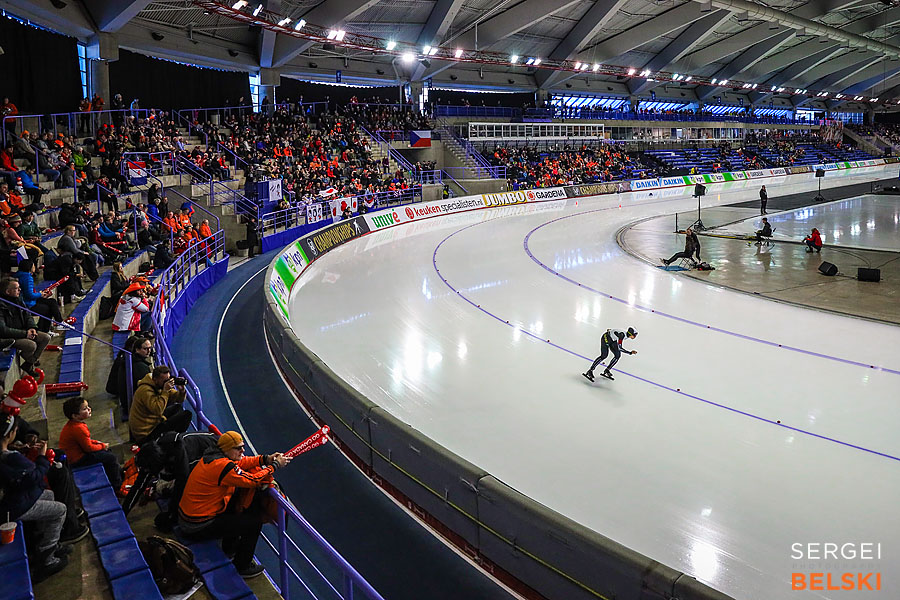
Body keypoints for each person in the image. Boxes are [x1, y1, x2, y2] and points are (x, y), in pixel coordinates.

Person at [178, 431, 290, 578]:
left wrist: (265, 459)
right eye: (238, 448)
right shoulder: (222, 466)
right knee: (254, 524)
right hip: (196, 526)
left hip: (188, 518)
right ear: (227, 449)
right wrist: (274, 466)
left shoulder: (212, 457)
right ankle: (243, 566)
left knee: (235, 504)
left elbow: (241, 463)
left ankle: (230, 549)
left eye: (242, 447)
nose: (242, 451)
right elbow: (253, 480)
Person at [0, 414, 71, 580]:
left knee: (50, 495)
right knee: (61, 510)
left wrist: (21, 449)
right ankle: (47, 557)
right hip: (16, 505)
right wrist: (42, 457)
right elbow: (35, 476)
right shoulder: (11, 458)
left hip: (17, 497)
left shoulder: (7, 454)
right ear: (9, 434)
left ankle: (44, 542)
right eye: (15, 431)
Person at [58, 398, 122, 489]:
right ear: (75, 416)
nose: (89, 409)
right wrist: (102, 446)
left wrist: (98, 443)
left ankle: (119, 475)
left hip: (78, 454)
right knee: (111, 458)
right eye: (85, 409)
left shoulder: (74, 424)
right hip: (76, 460)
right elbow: (88, 448)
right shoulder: (78, 428)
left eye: (88, 407)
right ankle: (117, 486)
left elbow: (86, 441)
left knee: (108, 452)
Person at [0, 278, 51, 376]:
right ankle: (31, 361)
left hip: (23, 331)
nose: (20, 290)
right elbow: (3, 330)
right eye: (16, 288)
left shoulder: (18, 299)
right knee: (31, 345)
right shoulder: (1, 306)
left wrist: (32, 327)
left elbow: (27, 315)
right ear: (7, 291)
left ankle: (29, 363)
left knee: (45, 337)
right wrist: (25, 334)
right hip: (9, 337)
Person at [129, 366, 191, 444]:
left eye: (168, 379)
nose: (167, 382)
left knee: (177, 407)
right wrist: (165, 391)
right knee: (187, 415)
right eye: (165, 380)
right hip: (146, 434)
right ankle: (176, 442)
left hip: (154, 422)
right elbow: (157, 410)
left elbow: (177, 399)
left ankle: (173, 437)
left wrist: (181, 391)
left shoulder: (158, 385)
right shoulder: (145, 391)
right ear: (155, 379)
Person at [14, 259, 63, 333]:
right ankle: (45, 330)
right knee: (46, 309)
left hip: (28, 301)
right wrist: (40, 294)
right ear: (30, 267)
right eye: (33, 266)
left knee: (52, 302)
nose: (35, 267)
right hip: (28, 304)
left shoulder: (19, 275)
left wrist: (40, 294)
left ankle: (59, 322)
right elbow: (29, 295)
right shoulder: (27, 277)